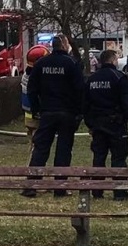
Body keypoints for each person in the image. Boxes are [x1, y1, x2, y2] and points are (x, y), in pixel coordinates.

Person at [24, 34, 84, 197]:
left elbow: (31, 89)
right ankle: (60, 187)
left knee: (41, 149)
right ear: (64, 46)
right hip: (67, 113)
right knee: (63, 150)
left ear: (53, 46)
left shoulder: (41, 63)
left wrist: (36, 109)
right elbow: (80, 91)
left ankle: (31, 185)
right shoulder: (72, 64)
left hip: (47, 112)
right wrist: (79, 113)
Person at [84, 47, 128, 200]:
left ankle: (97, 191)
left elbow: (85, 104)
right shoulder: (119, 77)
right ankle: (120, 192)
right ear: (113, 61)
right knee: (119, 158)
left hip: (97, 124)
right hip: (116, 124)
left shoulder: (92, 79)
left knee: (99, 157)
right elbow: (127, 103)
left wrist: (90, 124)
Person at [20, 44, 49, 140]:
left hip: (28, 115)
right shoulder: (37, 77)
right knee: (39, 142)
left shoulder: (27, 74)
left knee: (33, 140)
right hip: (37, 115)